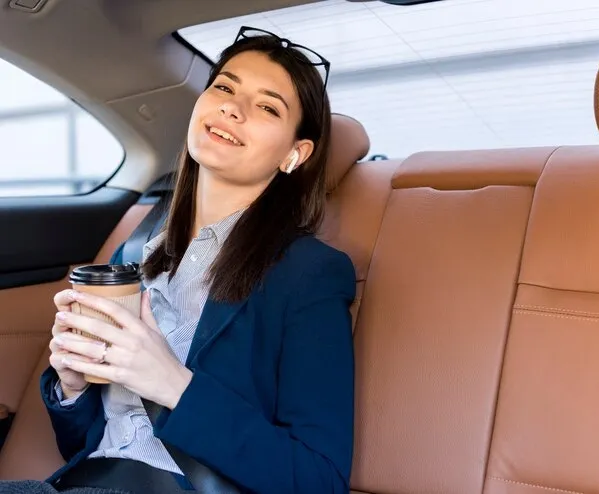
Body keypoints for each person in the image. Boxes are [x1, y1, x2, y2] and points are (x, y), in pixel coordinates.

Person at [0, 27, 355, 494]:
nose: (233, 106)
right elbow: (94, 447)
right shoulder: (137, 250)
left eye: (268, 106)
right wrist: (72, 387)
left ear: (295, 153)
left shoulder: (309, 272)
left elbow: (319, 481)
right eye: (224, 86)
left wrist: (173, 386)